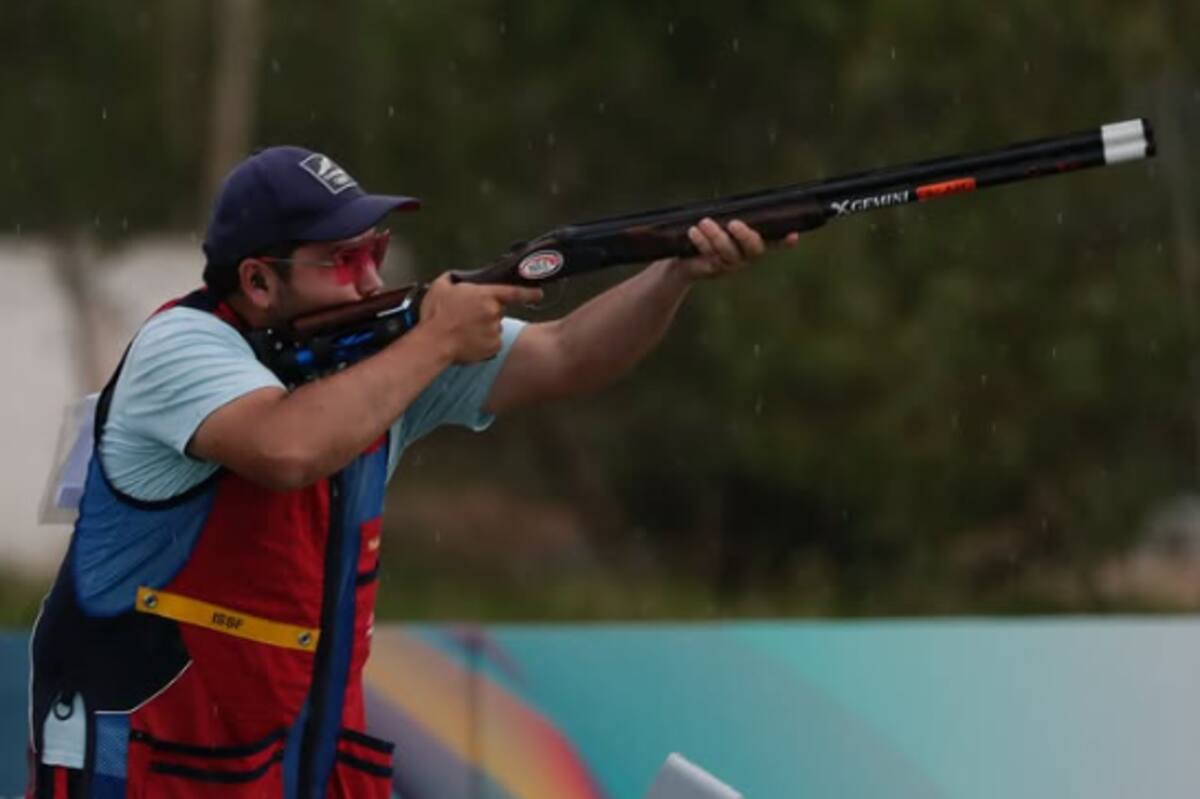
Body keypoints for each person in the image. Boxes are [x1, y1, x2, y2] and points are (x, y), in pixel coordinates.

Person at [26, 146, 795, 797]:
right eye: (343, 260)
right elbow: (287, 447)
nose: (370, 279)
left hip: (288, 761)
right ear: (257, 282)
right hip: (142, 764)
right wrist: (433, 342)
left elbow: (566, 354)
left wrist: (671, 276)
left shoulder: (376, 354)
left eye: (376, 252)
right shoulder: (182, 348)